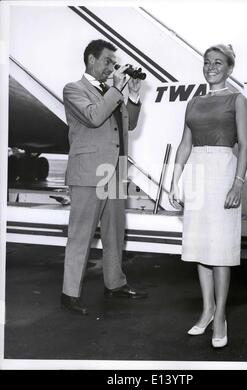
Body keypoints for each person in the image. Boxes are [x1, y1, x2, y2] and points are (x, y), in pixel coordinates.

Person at [169, 44, 247, 347]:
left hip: (223, 172)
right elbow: (184, 144)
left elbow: (245, 145)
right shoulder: (194, 102)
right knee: (200, 247)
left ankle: (220, 318)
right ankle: (206, 311)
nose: (211, 67)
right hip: (197, 173)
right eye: (207, 62)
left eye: (218, 63)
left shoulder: (238, 100)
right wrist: (174, 181)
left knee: (220, 251)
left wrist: (237, 183)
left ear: (229, 68)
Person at [61, 39, 148, 316]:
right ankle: (69, 294)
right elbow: (94, 116)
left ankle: (115, 283)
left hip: (116, 170)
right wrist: (116, 89)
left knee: (115, 233)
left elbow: (129, 124)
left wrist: (132, 96)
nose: (112, 67)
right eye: (108, 61)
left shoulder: (112, 91)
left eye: (114, 62)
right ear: (91, 60)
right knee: (81, 235)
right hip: (88, 171)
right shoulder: (74, 89)